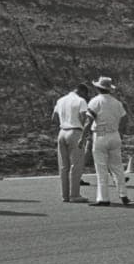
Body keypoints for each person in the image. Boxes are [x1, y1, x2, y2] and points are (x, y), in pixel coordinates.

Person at [80, 76, 129, 206]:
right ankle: (123, 194)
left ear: (97, 88)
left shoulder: (95, 102)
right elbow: (124, 119)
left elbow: (88, 121)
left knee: (101, 169)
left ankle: (104, 198)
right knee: (117, 167)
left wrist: (82, 138)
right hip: (114, 135)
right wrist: (120, 133)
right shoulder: (117, 103)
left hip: (100, 135)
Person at [53, 83, 91, 203]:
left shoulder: (60, 100)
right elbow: (83, 118)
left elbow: (53, 117)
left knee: (64, 166)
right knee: (76, 165)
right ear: (83, 92)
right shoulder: (81, 101)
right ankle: (74, 195)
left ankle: (65, 195)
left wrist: (63, 124)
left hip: (62, 132)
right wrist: (85, 133)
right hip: (75, 132)